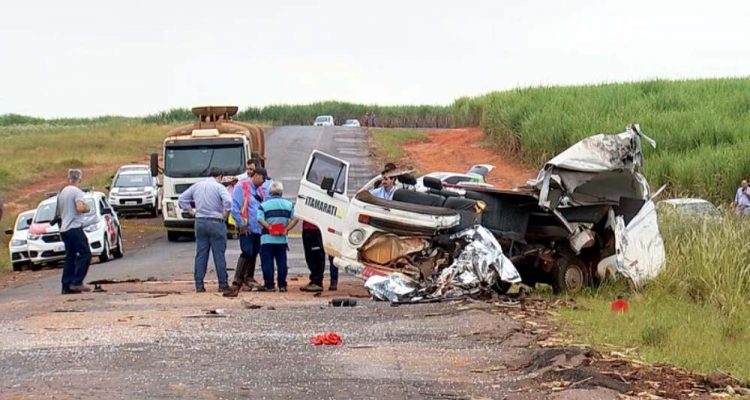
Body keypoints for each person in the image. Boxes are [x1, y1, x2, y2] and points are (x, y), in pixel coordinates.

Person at [178, 167, 233, 293]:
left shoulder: (197, 185)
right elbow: (229, 201)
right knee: (218, 254)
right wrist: (225, 212)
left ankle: (199, 284)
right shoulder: (219, 187)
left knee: (201, 254)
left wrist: (190, 211)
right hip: (215, 221)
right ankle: (223, 284)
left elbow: (182, 199)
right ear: (220, 176)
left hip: (200, 221)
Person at [224, 167, 272, 297]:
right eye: (262, 180)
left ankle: (248, 278)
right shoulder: (242, 187)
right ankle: (237, 281)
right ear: (256, 176)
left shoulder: (260, 190)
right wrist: (241, 223)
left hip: (258, 228)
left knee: (254, 253)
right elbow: (235, 208)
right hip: (247, 228)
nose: (263, 183)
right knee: (247, 252)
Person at [257, 181, 298, 292]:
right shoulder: (288, 205)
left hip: (267, 239)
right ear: (281, 192)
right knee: (282, 263)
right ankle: (282, 285)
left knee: (267, 263)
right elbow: (296, 218)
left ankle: (269, 285)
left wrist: (269, 227)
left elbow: (259, 219)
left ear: (270, 192)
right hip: (281, 239)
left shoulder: (264, 205)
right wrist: (286, 229)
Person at [57, 169, 93, 294]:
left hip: (64, 228)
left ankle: (66, 285)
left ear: (68, 178)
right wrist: (87, 208)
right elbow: (80, 208)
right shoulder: (77, 192)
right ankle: (77, 282)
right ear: (80, 179)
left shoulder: (63, 192)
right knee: (85, 254)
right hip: (75, 227)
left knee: (70, 257)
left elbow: (59, 212)